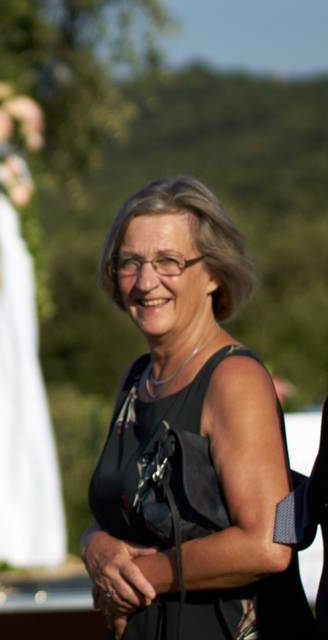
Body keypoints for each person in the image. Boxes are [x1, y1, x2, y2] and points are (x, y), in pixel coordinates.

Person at [81, 176, 315, 638]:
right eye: (131, 262)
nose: (146, 282)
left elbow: (269, 543)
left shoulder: (234, 379)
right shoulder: (138, 380)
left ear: (213, 273)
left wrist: (144, 577)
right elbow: (130, 512)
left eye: (169, 261)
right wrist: (95, 546)